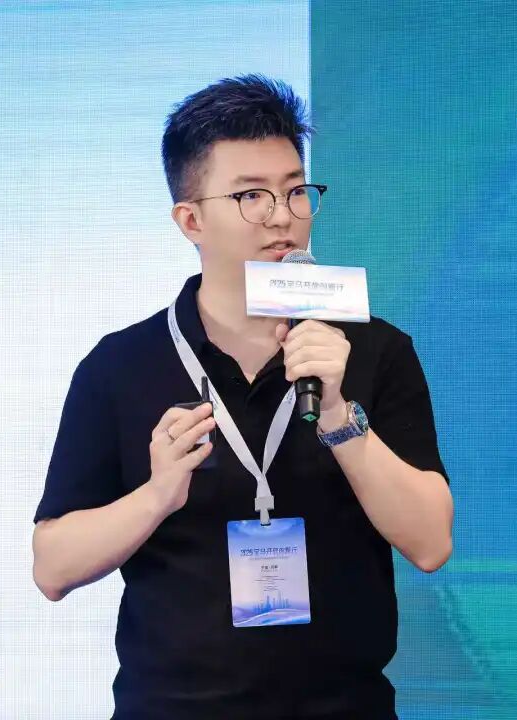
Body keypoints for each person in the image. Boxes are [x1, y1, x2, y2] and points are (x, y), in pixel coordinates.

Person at [32, 75, 454, 720]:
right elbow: (53, 568)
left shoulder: (375, 350)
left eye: (295, 190)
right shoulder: (120, 366)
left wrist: (339, 416)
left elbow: (430, 543)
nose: (282, 215)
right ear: (191, 219)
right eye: (251, 196)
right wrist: (156, 495)